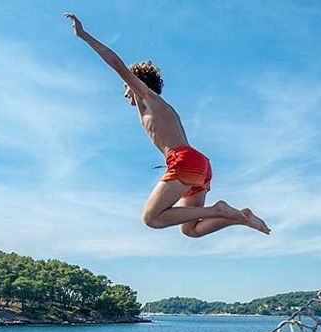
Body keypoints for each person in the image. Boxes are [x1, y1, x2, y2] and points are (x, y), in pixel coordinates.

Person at [66, 12, 270, 237]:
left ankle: (218, 210)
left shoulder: (147, 97)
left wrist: (84, 35)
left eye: (126, 87)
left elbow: (116, 64)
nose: (125, 94)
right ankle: (238, 217)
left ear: (135, 84)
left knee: (151, 218)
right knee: (190, 230)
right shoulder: (163, 107)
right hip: (200, 163)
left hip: (184, 160)